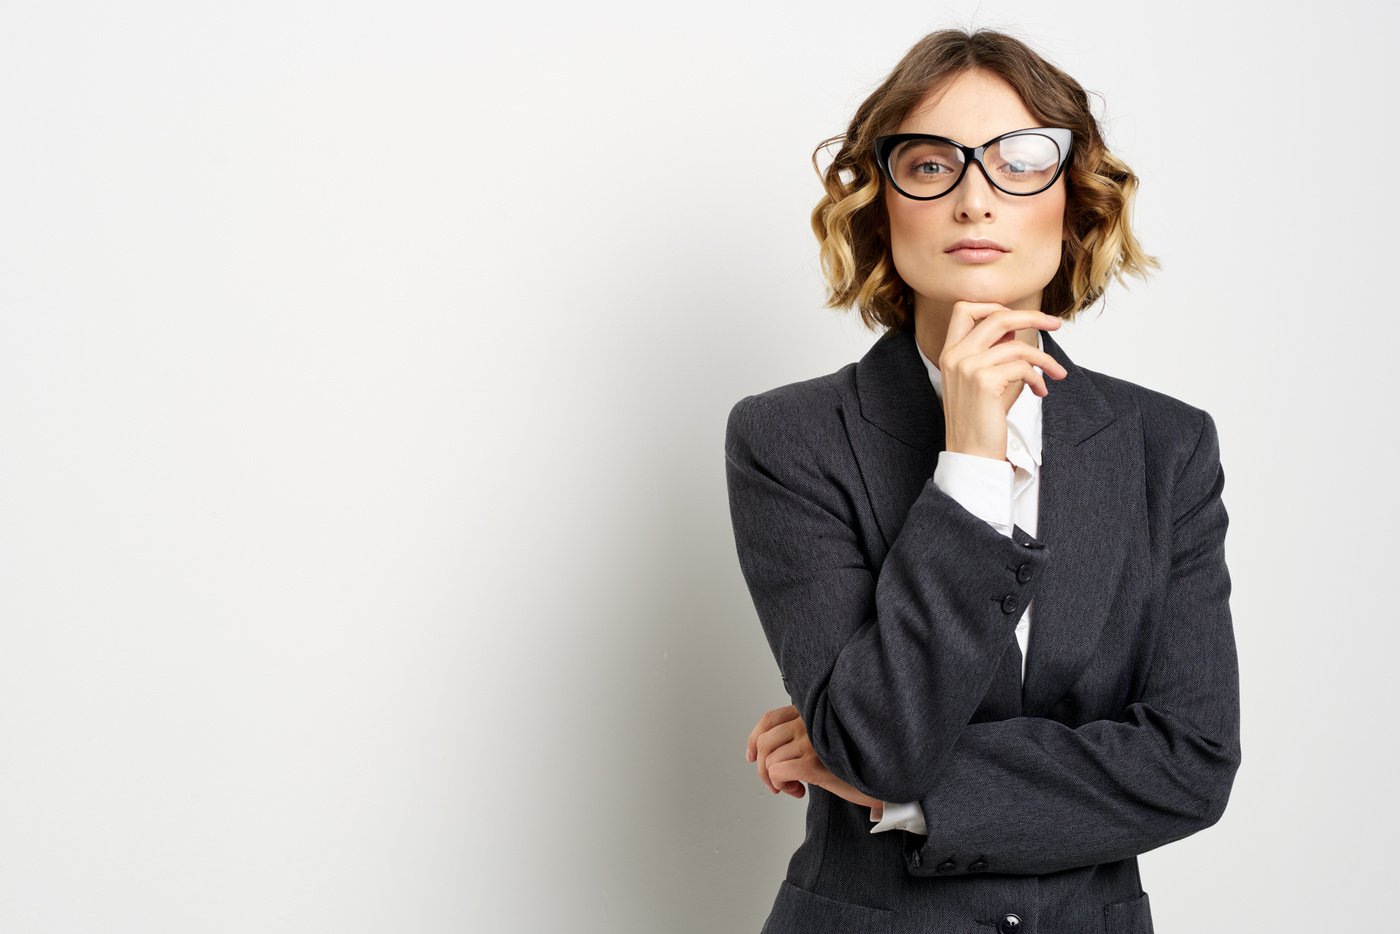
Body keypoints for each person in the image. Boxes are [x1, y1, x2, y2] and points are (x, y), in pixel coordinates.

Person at [723, 27, 1241, 933]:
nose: (976, 200)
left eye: (1020, 161)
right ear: (883, 206)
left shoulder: (1169, 447)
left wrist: (908, 798)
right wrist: (970, 456)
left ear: (1075, 205)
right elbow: (884, 741)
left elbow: (1193, 764)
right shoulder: (790, 438)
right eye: (930, 166)